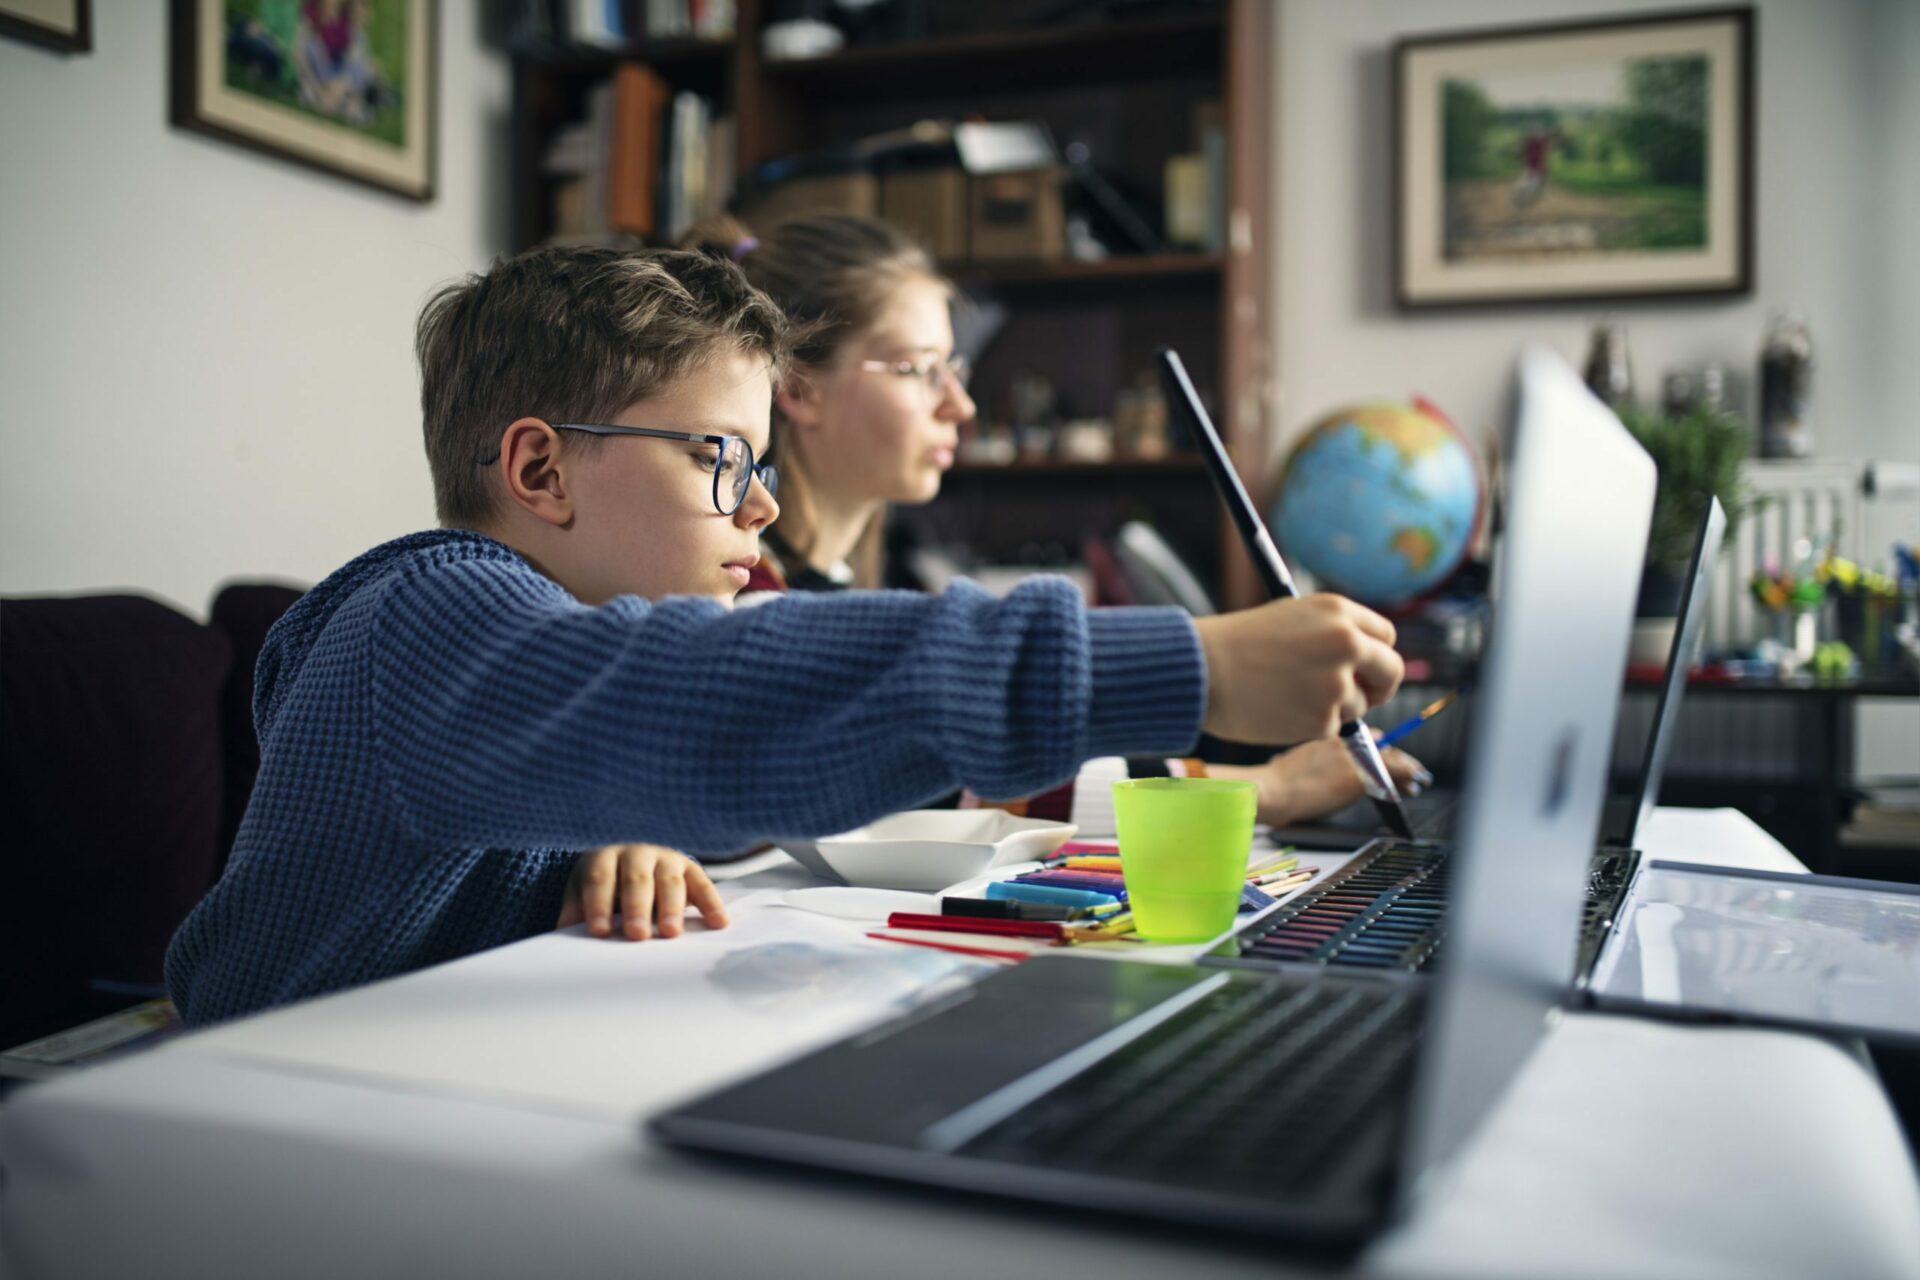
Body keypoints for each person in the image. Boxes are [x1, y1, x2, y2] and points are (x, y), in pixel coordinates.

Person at [163, 244, 1404, 1027]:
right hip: (216, 1131)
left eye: (762, 463)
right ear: (540, 466)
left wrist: (625, 818)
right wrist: (1194, 661)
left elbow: (620, 726)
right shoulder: (426, 611)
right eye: (720, 458)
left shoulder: (532, 666)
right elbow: (683, 698)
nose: (761, 502)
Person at [694, 212, 1428, 831]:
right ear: (797, 387)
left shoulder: (842, 580)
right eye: (922, 370)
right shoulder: (738, 592)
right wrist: (1264, 791)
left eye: (958, 370)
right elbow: (941, 772)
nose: (962, 405)